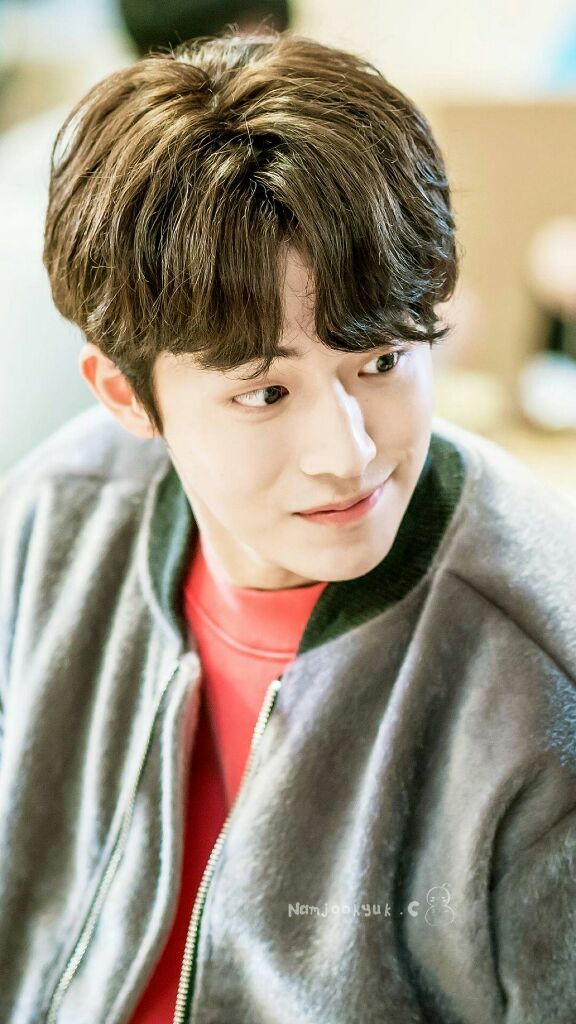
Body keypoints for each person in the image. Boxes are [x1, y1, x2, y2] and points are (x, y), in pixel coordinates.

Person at [1, 29, 576, 1024]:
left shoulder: (536, 667)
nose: (347, 453)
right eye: (265, 393)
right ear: (126, 394)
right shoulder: (53, 525)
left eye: (382, 361)